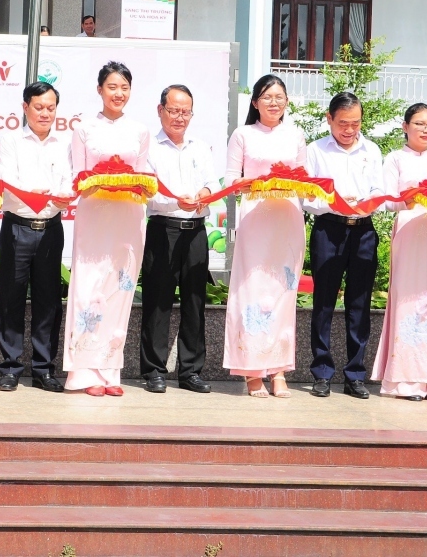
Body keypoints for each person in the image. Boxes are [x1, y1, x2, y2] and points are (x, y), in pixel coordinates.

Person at [62, 61, 150, 396]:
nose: (119, 93)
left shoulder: (139, 131)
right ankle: (83, 373)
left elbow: (143, 179)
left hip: (128, 216)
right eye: (112, 87)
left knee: (119, 287)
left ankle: (110, 372)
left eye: (124, 87)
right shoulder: (84, 128)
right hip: (95, 213)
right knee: (89, 286)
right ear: (100, 90)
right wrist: (100, 180)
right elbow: (79, 178)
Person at [222, 74, 307, 399]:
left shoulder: (295, 135)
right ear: (255, 102)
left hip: (287, 218)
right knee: (252, 291)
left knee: (284, 292)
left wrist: (289, 184)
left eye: (279, 96)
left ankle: (280, 370)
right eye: (267, 96)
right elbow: (232, 179)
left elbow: (304, 179)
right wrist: (257, 182)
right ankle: (253, 371)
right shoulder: (243, 134)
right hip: (256, 218)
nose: (274, 102)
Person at [372, 103, 427, 402]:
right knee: (408, 303)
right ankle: (405, 382)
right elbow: (387, 200)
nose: (426, 130)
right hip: (410, 231)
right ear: (405, 126)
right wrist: (408, 199)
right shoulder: (395, 158)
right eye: (420, 124)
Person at [303, 92, 384, 400]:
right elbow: (308, 196)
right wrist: (334, 202)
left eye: (355, 123)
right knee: (324, 301)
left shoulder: (372, 149)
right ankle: (322, 372)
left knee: (359, 304)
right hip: (329, 230)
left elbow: (380, 189)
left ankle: (355, 374)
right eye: (343, 124)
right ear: (329, 119)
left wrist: (365, 203)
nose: (349, 130)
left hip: (363, 231)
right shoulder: (315, 150)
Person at [0, 82, 70, 393]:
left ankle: (43, 368)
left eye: (51, 108)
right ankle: (10, 367)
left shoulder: (64, 142)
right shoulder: (10, 140)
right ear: (25, 107)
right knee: (10, 298)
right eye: (39, 107)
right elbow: (7, 181)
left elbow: (66, 180)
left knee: (48, 300)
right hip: (17, 227)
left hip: (51, 228)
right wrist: (33, 193)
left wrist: (61, 196)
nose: (45, 113)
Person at [140, 85, 215, 394]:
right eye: (174, 110)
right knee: (157, 303)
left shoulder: (200, 146)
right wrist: (175, 202)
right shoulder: (149, 148)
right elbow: (148, 189)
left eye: (186, 112)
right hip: (163, 229)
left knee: (195, 302)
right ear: (161, 111)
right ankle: (154, 370)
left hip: (196, 231)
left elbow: (211, 183)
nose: (180, 117)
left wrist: (204, 195)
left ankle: (191, 371)